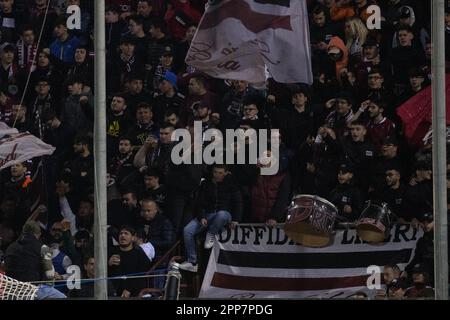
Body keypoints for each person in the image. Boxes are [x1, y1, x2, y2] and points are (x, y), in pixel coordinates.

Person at [179, 165, 242, 272]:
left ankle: (211, 233)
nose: (217, 175)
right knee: (187, 230)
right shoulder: (206, 183)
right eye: (215, 172)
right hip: (208, 215)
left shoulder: (232, 184)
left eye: (220, 172)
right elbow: (199, 202)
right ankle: (192, 261)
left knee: (222, 215)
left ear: (226, 173)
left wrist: (236, 219)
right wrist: (201, 217)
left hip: (224, 214)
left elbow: (238, 202)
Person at [108, 225, 152, 297]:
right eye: (121, 233)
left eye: (126, 233)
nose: (122, 235)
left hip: (134, 292)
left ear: (133, 238)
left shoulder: (139, 254)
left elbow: (141, 276)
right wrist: (109, 263)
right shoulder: (112, 252)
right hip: (113, 291)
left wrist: (129, 289)